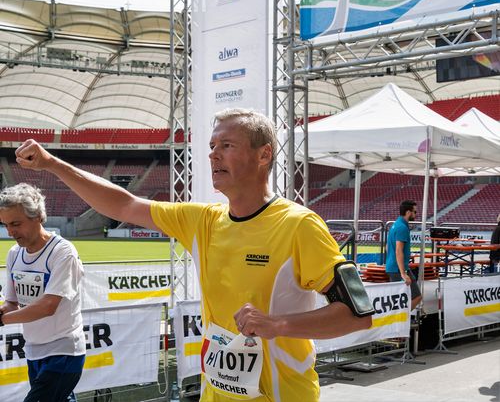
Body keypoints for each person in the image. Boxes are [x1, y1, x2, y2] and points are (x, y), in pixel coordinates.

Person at [14, 108, 372, 402]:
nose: (213, 153)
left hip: (282, 395)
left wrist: (278, 325)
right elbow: (125, 204)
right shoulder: (202, 219)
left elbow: (357, 316)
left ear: (264, 155)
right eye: (212, 145)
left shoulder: (300, 225)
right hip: (214, 393)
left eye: (227, 145)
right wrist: (52, 164)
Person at [0, 183, 85, 402]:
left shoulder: (62, 252)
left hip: (64, 351)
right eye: (6, 224)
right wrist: (2, 313)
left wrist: (2, 320)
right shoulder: (14, 254)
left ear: (37, 216)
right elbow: (11, 303)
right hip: (33, 351)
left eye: (16, 224)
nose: (10, 232)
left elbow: (48, 306)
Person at [385, 199, 422, 310]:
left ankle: (400, 320)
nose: (416, 214)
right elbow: (398, 250)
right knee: (416, 297)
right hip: (398, 269)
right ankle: (401, 320)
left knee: (399, 299)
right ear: (408, 212)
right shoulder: (402, 227)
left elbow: (388, 247)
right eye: (415, 212)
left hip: (394, 267)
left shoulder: (396, 224)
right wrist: (403, 273)